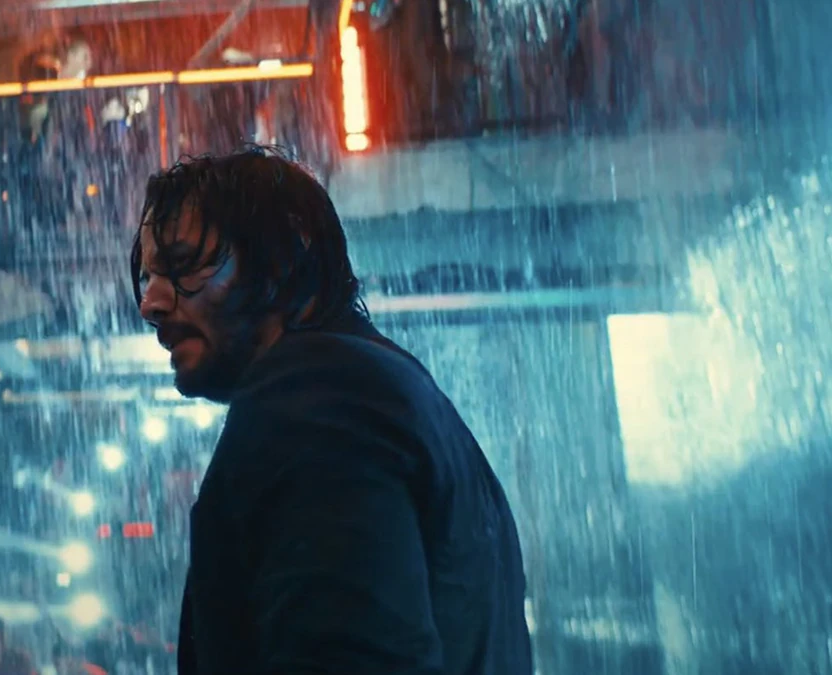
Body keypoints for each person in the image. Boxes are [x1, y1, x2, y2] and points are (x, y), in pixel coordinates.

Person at [129, 146, 533, 674]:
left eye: (183, 265)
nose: (151, 303)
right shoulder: (387, 388)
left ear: (282, 257)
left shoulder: (314, 399)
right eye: (147, 278)